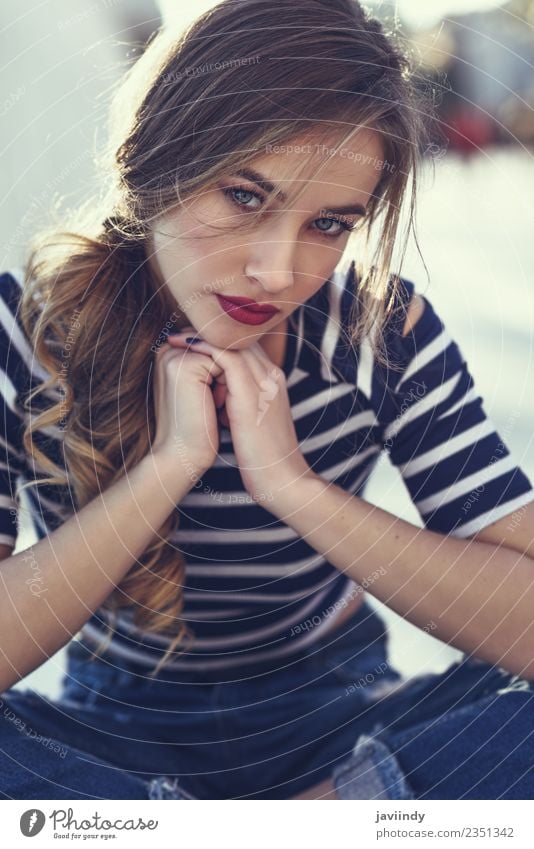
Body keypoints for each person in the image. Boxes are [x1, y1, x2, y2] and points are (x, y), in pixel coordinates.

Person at [1, 0, 533, 801]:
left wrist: (292, 486)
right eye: (245, 197)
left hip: (343, 716)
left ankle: (323, 812)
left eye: (328, 223)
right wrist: (167, 469)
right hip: (106, 734)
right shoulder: (29, 331)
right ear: (153, 160)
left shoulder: (375, 330)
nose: (279, 273)